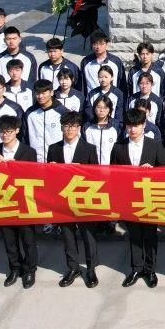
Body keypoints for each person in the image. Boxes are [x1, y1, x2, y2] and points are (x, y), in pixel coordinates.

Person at [111, 108, 165, 288]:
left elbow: (164, 171)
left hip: (149, 197)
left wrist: (152, 171)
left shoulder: (154, 145)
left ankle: (150, 269)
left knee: (150, 234)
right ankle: (136, 268)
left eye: (136, 125)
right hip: (129, 199)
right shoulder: (118, 147)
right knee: (134, 234)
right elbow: (113, 173)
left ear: (144, 125)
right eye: (129, 126)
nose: (133, 129)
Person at [47, 112, 100, 288]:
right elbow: (49, 177)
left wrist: (82, 170)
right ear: (62, 128)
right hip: (63, 199)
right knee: (68, 235)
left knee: (88, 235)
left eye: (73, 126)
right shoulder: (53, 149)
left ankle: (91, 268)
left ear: (79, 128)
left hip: (83, 198)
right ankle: (73, 267)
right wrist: (52, 169)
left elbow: (96, 176)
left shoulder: (89, 148)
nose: (70, 129)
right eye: (66, 126)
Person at [0, 115, 38, 288]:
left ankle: (30, 270)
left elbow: (35, 178)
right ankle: (15, 268)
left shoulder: (29, 152)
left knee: (28, 238)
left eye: (8, 131)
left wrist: (19, 168)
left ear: (17, 130)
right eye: (2, 132)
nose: (5, 135)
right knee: (9, 238)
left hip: (24, 201)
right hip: (4, 201)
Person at [24, 79, 69, 163]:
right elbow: (24, 136)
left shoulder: (63, 112)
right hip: (35, 160)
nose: (40, 96)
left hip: (57, 161)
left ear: (51, 93)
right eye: (38, 93)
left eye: (44, 93)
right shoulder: (29, 113)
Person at [83, 95, 119, 165]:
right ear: (94, 108)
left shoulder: (116, 125)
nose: (101, 110)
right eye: (99, 107)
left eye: (105, 107)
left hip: (111, 166)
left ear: (110, 109)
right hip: (91, 166)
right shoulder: (87, 126)